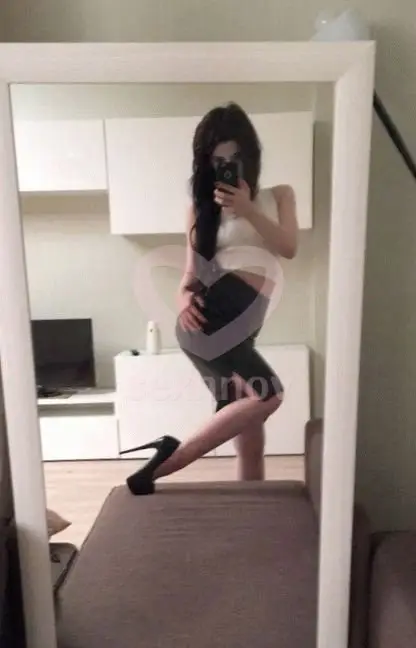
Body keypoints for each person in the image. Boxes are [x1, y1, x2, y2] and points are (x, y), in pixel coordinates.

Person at [125, 102, 298, 495]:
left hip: (242, 326)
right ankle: (169, 458)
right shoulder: (200, 210)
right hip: (210, 322)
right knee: (269, 395)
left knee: (249, 425)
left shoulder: (279, 195)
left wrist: (249, 210)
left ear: (249, 156)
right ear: (205, 163)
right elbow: (189, 278)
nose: (227, 167)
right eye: (218, 160)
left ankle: (250, 503)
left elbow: (288, 247)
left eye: (234, 158)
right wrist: (183, 301)